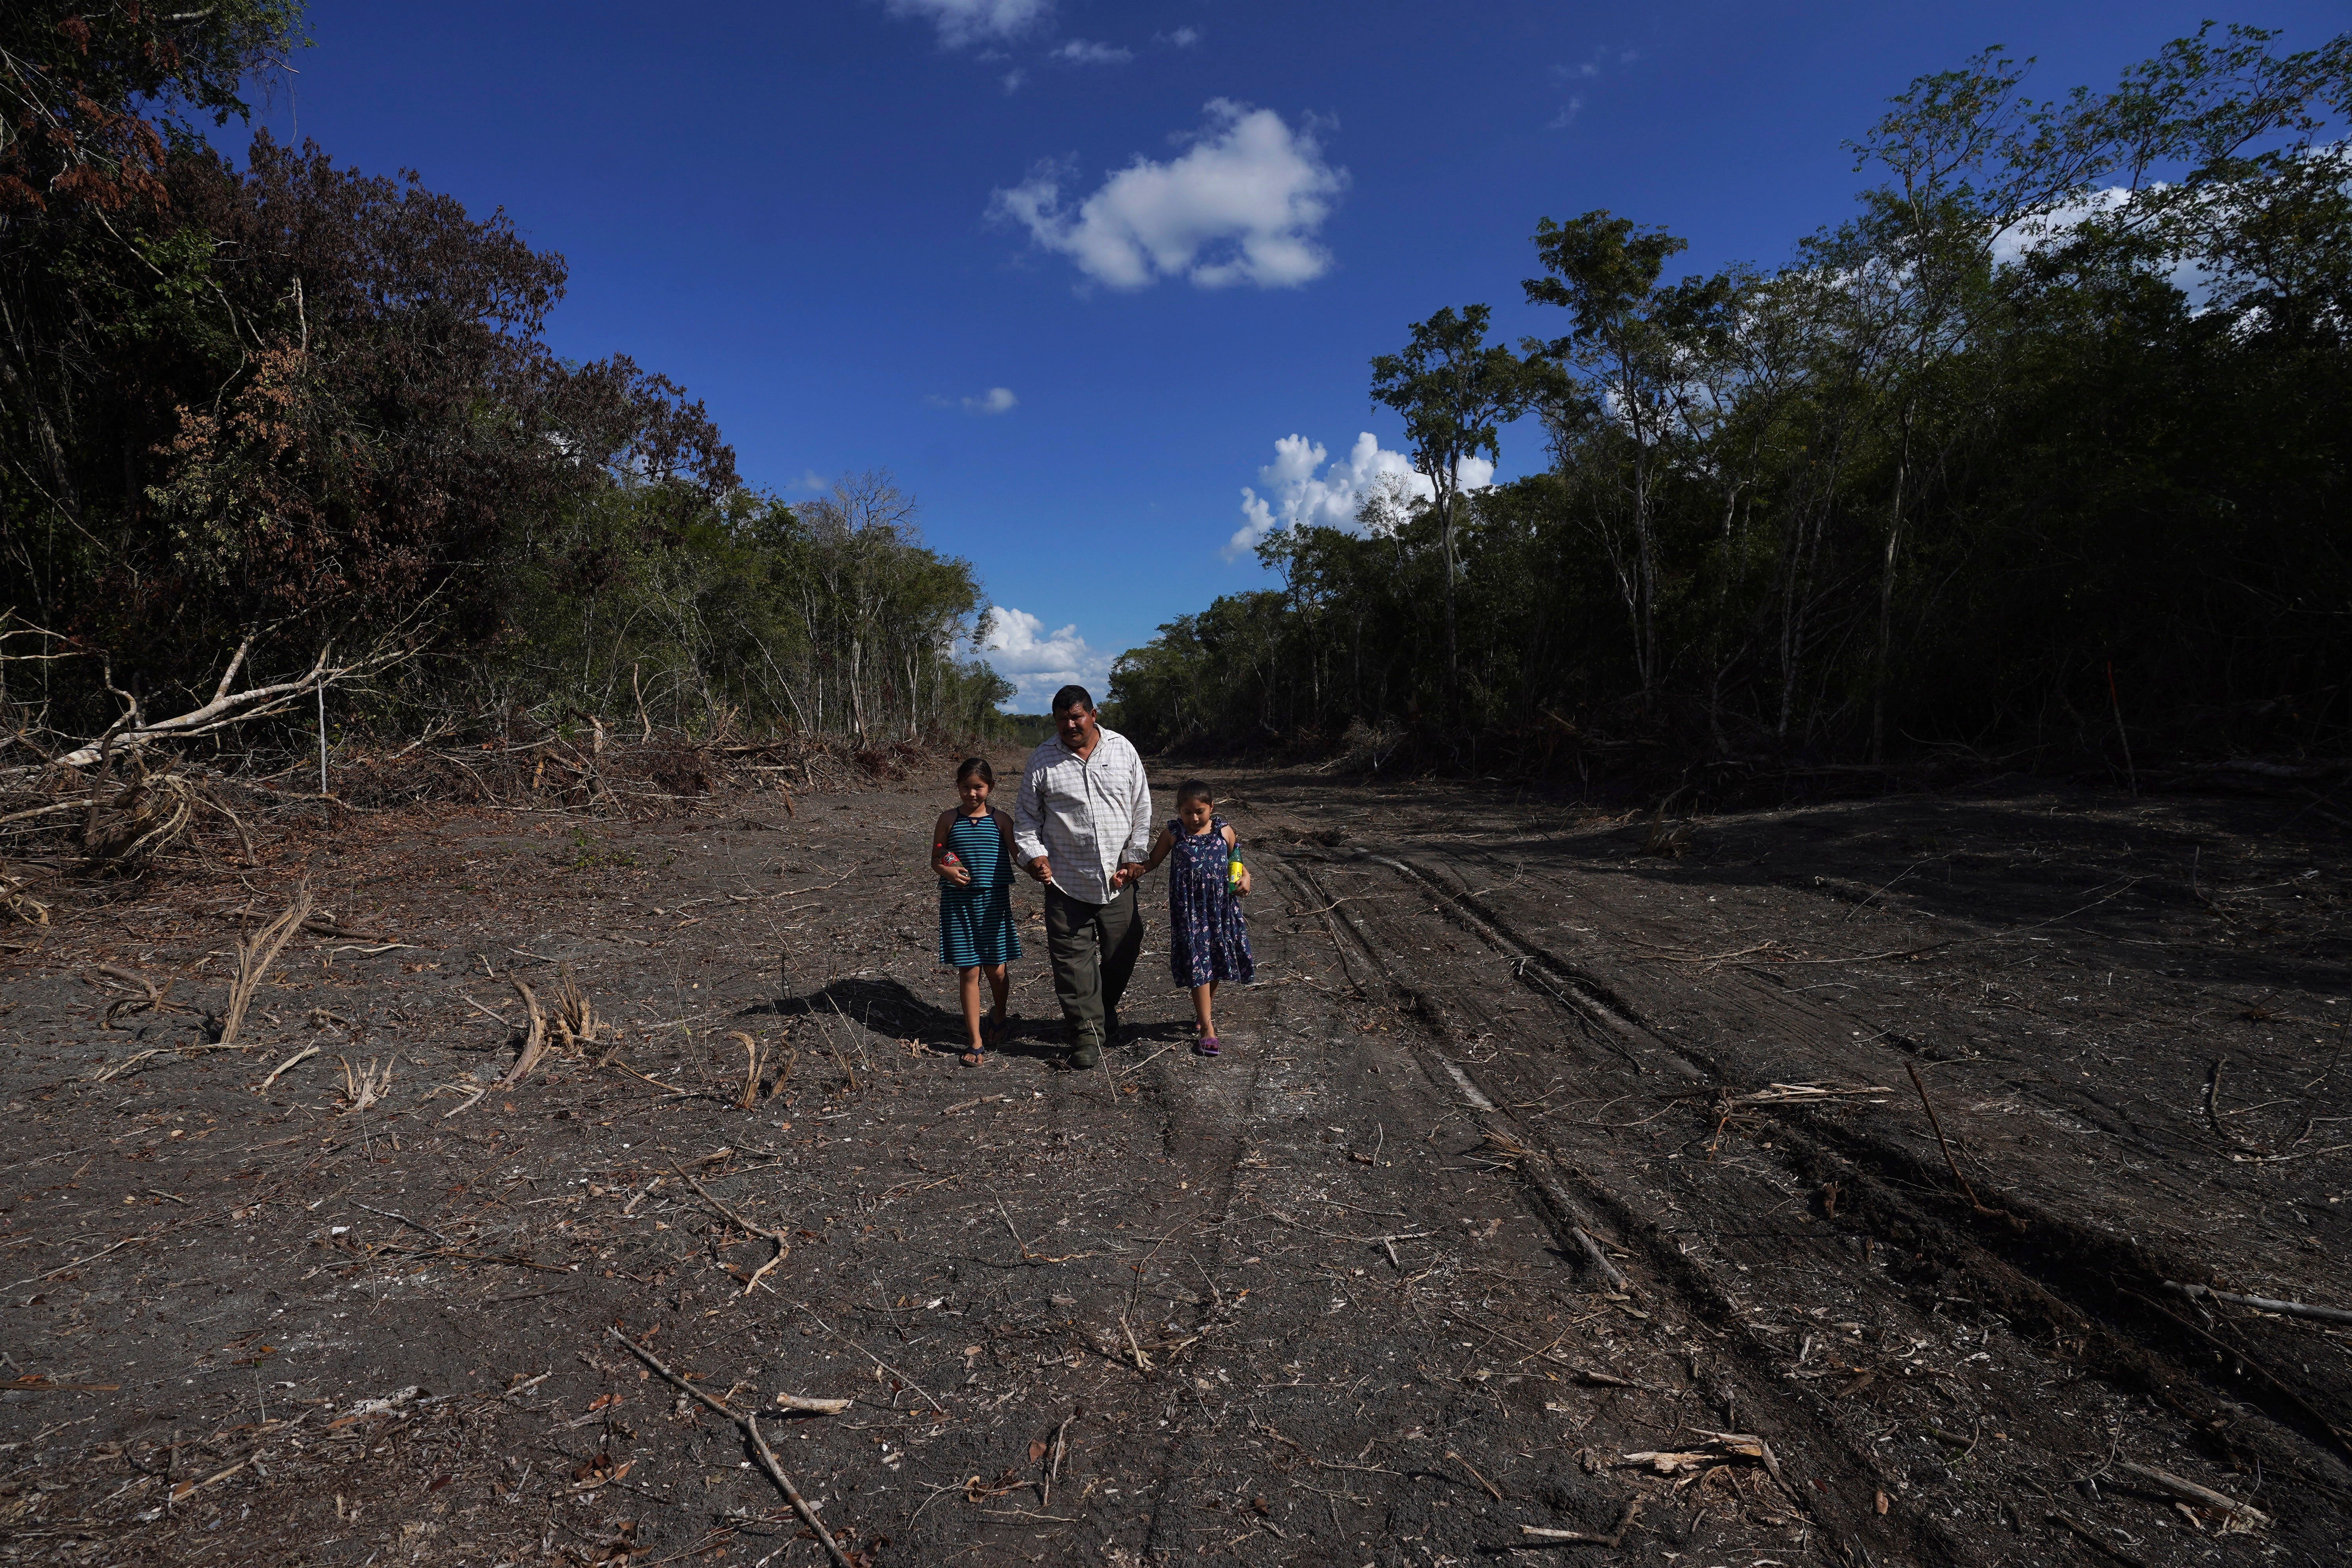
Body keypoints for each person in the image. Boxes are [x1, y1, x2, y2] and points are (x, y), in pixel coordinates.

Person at [1013, 685, 1152, 1069]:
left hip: (1116, 880)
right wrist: (1034, 856)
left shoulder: (1122, 749)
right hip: (1066, 882)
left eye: (1077, 717)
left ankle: (1103, 1007)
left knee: (1123, 949)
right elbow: (1025, 818)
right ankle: (1086, 1038)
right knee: (1073, 966)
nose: (1070, 725)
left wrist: (1136, 856)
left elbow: (1142, 805)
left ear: (1093, 713)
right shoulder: (1042, 759)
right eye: (1062, 719)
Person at [1135, 779, 1254, 1055]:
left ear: (1211, 807)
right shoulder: (1174, 833)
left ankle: (1203, 1015)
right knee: (1199, 963)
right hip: (1189, 912)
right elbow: (1152, 861)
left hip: (1221, 909)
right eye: (1187, 812)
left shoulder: (1224, 831)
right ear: (1179, 811)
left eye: (1200, 811)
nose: (1194, 818)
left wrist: (1247, 878)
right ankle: (1209, 1028)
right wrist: (1131, 872)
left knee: (1215, 961)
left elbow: (1237, 862)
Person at [931, 757, 1019, 1067]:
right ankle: (975, 1041)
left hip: (994, 905)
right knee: (969, 971)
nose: (972, 793)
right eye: (966, 787)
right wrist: (948, 872)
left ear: (991, 788)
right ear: (958, 787)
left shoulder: (1001, 820)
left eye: (979, 787)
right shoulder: (947, 820)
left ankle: (999, 1013)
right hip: (958, 906)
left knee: (996, 971)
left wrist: (1043, 865)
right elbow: (938, 858)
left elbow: (1019, 854)